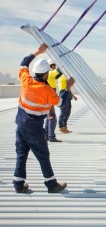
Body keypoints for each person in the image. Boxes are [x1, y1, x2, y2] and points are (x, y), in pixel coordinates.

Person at [14, 43, 75, 193]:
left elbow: (23, 63)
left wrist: (38, 52)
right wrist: (68, 88)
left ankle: (18, 185)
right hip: (33, 129)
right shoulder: (47, 90)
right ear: (47, 74)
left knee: (21, 154)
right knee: (43, 155)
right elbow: (61, 103)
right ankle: (52, 185)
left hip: (20, 125)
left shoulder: (26, 80)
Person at [44, 59, 63, 142]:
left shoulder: (48, 74)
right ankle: (51, 136)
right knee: (52, 117)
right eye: (54, 65)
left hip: (47, 98)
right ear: (51, 66)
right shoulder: (51, 73)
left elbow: (59, 74)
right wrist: (61, 63)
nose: (55, 66)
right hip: (49, 98)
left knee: (48, 118)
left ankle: (46, 136)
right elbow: (60, 71)